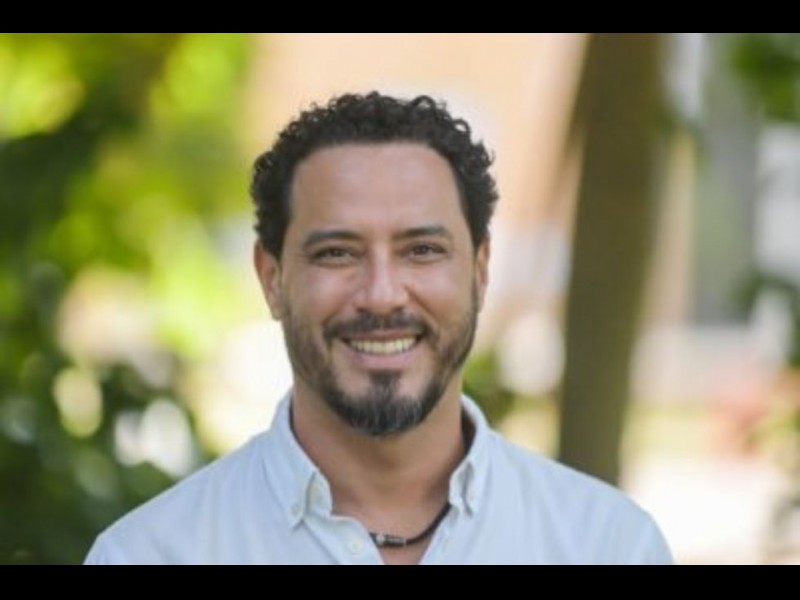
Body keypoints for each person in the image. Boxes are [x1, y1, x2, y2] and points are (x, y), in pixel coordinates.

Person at [85, 92, 672, 565]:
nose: (383, 294)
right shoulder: (150, 555)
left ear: (480, 270)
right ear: (271, 278)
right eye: (338, 253)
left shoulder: (609, 547)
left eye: (421, 250)